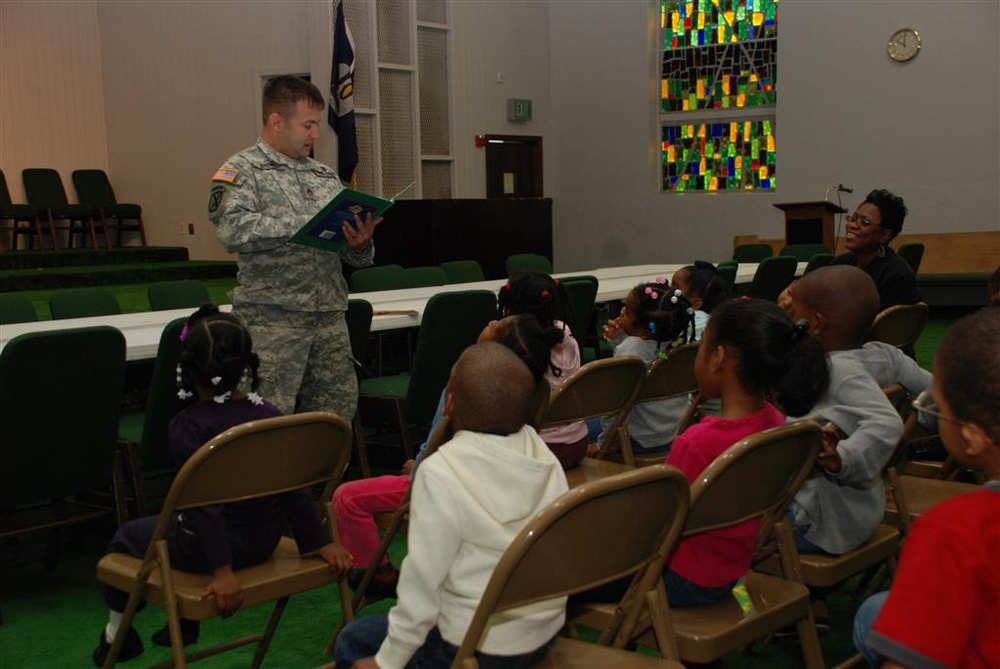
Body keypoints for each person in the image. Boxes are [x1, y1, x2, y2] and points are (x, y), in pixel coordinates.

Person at [92, 306, 352, 667]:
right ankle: (182, 626)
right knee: (180, 523)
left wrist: (222, 570)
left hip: (209, 552)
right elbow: (293, 488)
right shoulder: (270, 415)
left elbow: (205, 506)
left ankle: (116, 636)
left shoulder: (188, 426)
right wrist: (319, 542)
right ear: (246, 365)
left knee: (126, 536)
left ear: (187, 368)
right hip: (265, 541)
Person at [570, 298, 828, 609]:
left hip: (678, 579)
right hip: (731, 570)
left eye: (701, 346)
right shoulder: (777, 423)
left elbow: (654, 527)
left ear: (717, 358)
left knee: (566, 572)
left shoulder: (698, 442)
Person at [334, 342, 569, 669]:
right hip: (541, 633)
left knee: (354, 639)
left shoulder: (440, 471)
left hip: (473, 644)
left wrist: (388, 661)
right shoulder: (543, 454)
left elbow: (422, 587)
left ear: (450, 403)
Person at [208, 75, 378, 423]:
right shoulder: (241, 171)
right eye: (308, 125)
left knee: (334, 418)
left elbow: (349, 253)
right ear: (277, 122)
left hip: (329, 318)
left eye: (317, 124)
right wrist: (304, 223)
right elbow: (232, 231)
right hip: (273, 323)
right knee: (267, 423)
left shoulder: (323, 176)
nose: (316, 134)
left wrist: (359, 244)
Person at [852, 307, 1000, 667]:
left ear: (971, 438)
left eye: (936, 406)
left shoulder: (953, 532)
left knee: (874, 617)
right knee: (876, 610)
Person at [591, 281, 696, 456]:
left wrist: (603, 445)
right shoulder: (679, 343)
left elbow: (615, 408)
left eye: (627, 312)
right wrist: (619, 340)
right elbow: (648, 356)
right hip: (672, 433)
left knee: (579, 425)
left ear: (645, 332)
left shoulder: (631, 351)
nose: (621, 312)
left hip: (638, 441)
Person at [497, 271, 589, 468]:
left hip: (538, 451)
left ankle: (431, 458)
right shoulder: (563, 332)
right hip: (577, 444)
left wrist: (482, 344)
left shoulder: (515, 342)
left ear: (509, 308)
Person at [830, 189, 921, 311]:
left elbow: (886, 321)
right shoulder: (839, 264)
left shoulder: (897, 277)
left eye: (865, 222)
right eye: (853, 218)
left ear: (885, 235)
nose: (852, 225)